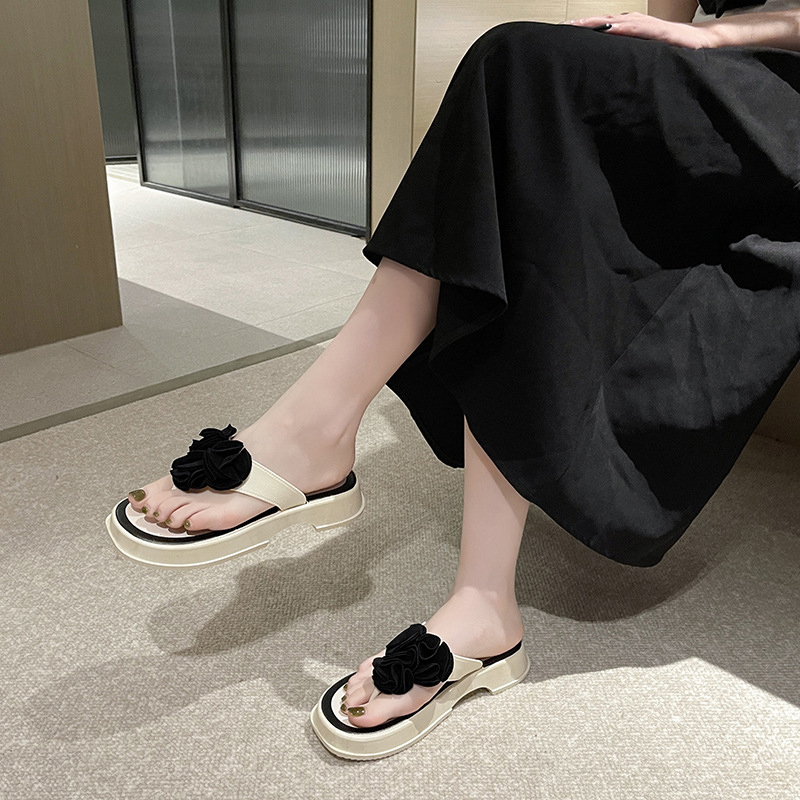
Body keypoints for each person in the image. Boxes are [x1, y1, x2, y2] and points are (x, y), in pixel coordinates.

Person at [106, 0, 800, 759]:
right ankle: (476, 595)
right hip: (716, 64)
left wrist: (718, 34)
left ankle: (325, 442)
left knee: (523, 71)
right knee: (532, 93)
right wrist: (650, 32)